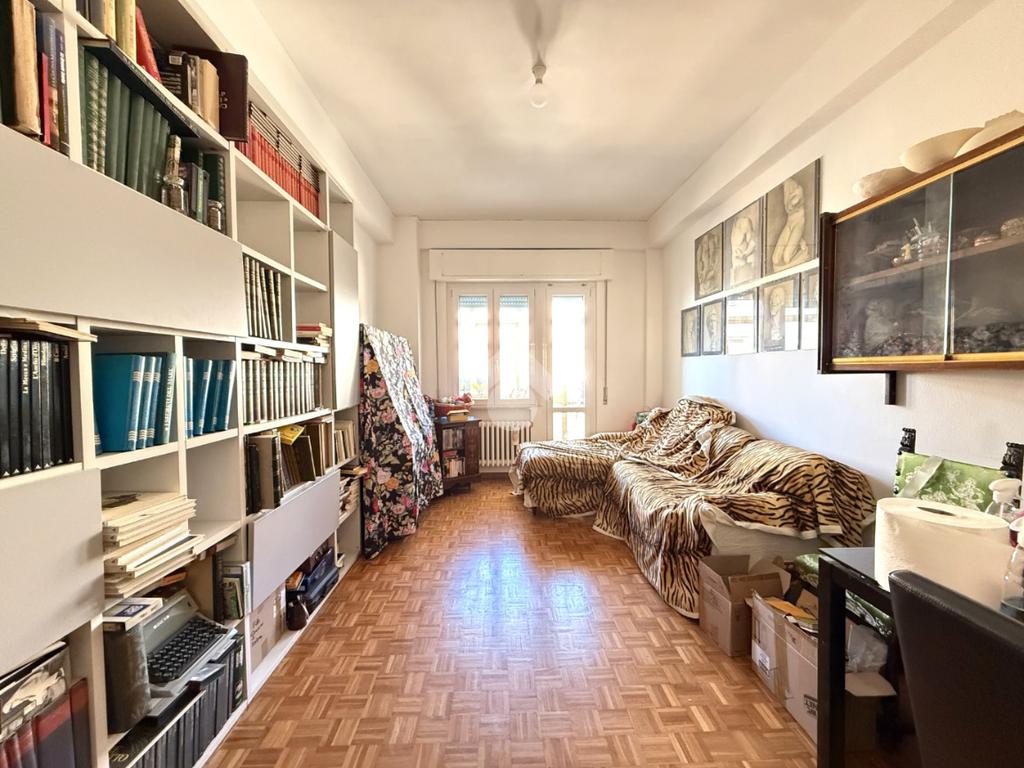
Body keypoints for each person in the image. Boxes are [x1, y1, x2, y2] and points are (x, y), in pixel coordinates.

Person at [770, 178, 810, 271]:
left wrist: (789, 199)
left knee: (787, 257)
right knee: (775, 259)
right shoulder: (787, 193)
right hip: (789, 224)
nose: (785, 189)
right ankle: (799, 240)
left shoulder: (798, 190)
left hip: (798, 223)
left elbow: (791, 205)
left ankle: (800, 244)